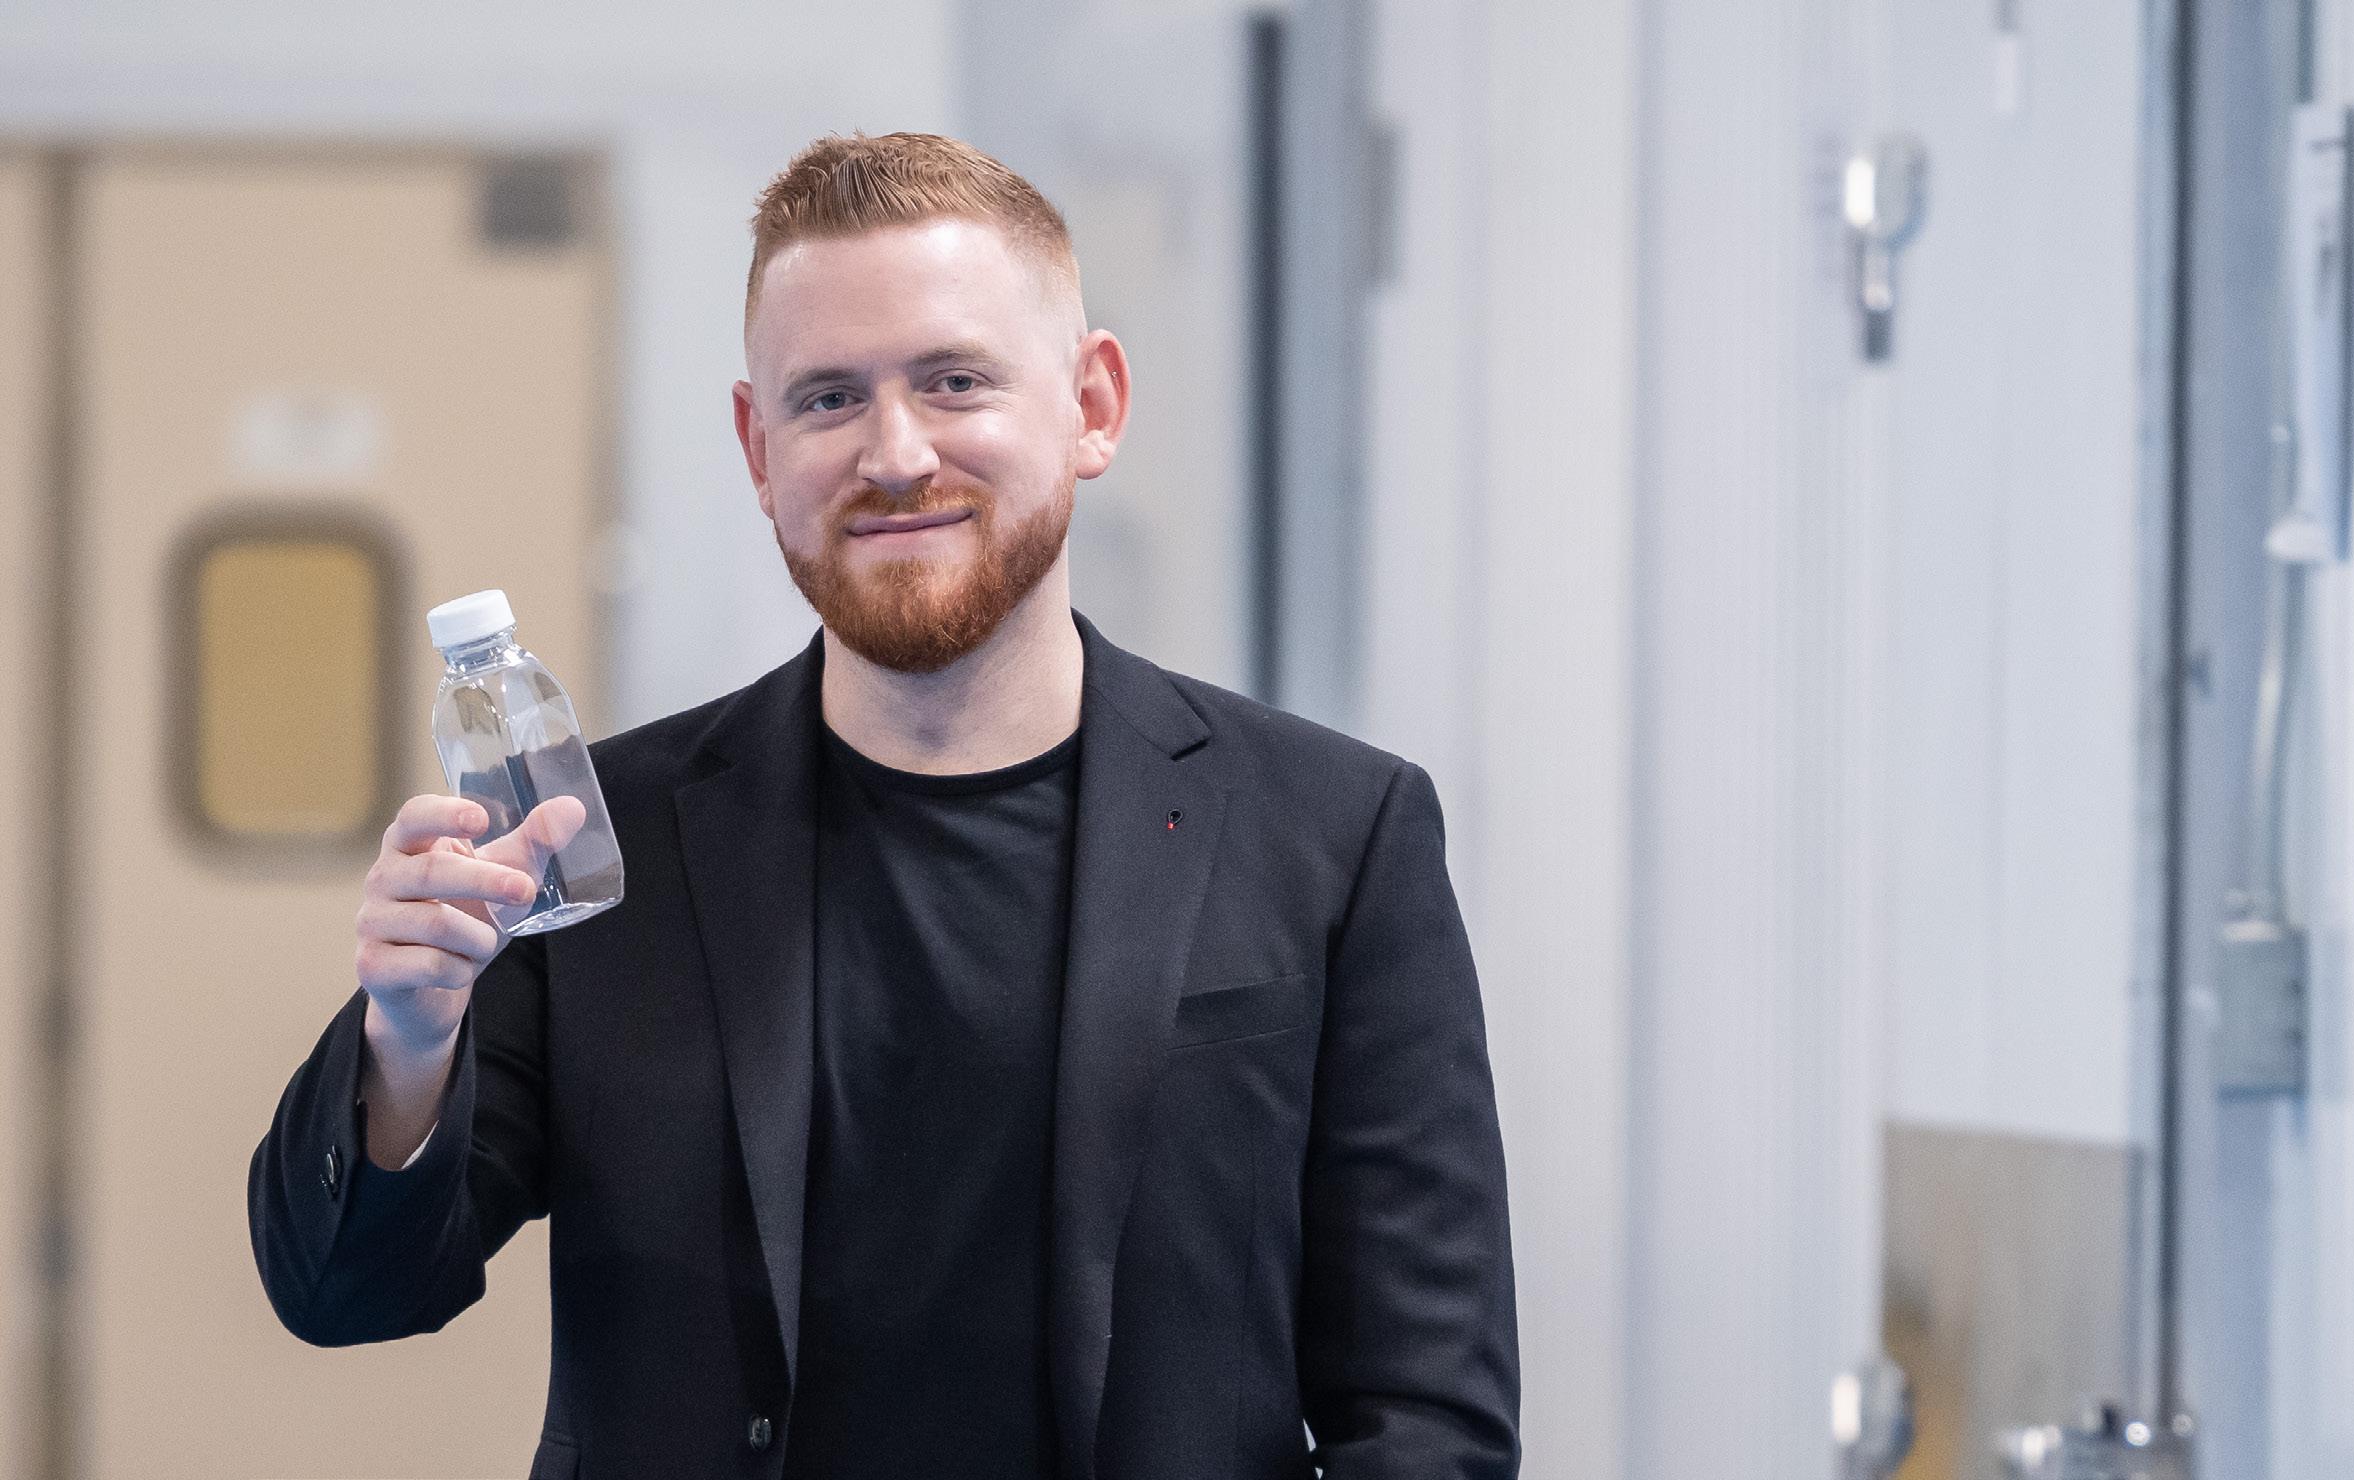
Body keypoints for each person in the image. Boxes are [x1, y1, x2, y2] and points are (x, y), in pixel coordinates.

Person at [248, 132, 1518, 1480]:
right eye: (830, 398)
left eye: (955, 381)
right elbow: (345, 1292)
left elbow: (1424, 1416)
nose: (896, 453)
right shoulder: (602, 848)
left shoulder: (1333, 837)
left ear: (1092, 405)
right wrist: (408, 1037)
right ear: (759, 446)